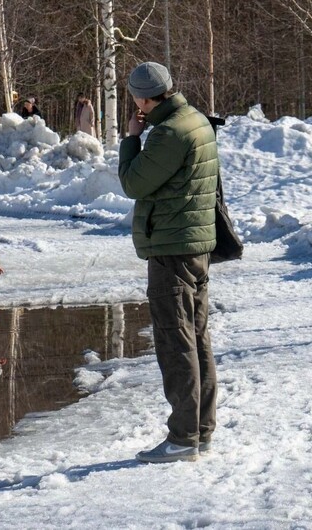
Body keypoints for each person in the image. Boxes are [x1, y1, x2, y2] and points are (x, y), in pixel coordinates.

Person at [118, 61, 219, 464]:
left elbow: (133, 182)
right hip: (194, 247)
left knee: (176, 344)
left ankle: (183, 438)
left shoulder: (169, 133)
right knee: (196, 339)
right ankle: (201, 431)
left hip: (172, 250)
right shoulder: (194, 120)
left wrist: (132, 139)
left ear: (143, 99)